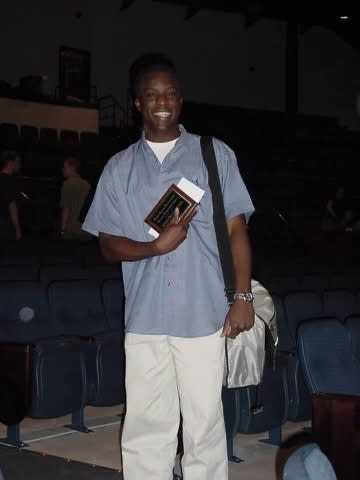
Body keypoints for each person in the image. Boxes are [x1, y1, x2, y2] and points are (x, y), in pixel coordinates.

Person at [83, 53, 255, 480]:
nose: (162, 101)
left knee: (205, 426)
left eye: (171, 94)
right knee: (146, 427)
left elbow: (236, 230)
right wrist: (155, 247)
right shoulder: (119, 167)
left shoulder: (214, 155)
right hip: (145, 318)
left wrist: (243, 295)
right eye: (151, 95)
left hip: (203, 315)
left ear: (181, 100)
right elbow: (107, 245)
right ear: (137, 103)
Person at [59, 157, 91, 239]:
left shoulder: (68, 184)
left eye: (65, 167)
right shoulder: (87, 184)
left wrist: (62, 230)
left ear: (72, 168)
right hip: (86, 229)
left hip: (71, 229)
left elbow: (66, 208)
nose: (63, 169)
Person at [0, 150, 22, 241]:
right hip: (4, 223)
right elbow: (12, 206)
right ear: (10, 163)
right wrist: (17, 228)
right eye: (17, 162)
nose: (19, 165)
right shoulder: (10, 181)